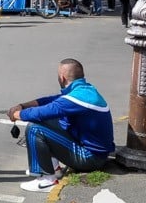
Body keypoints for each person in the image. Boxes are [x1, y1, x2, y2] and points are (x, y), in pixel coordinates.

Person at [7, 58, 115, 192]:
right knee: (48, 121)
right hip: (95, 154)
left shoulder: (76, 99)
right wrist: (23, 106)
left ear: (62, 78)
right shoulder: (85, 91)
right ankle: (54, 168)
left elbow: (41, 112)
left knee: (34, 128)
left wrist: (16, 114)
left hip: (90, 159)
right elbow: (52, 100)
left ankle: (46, 180)